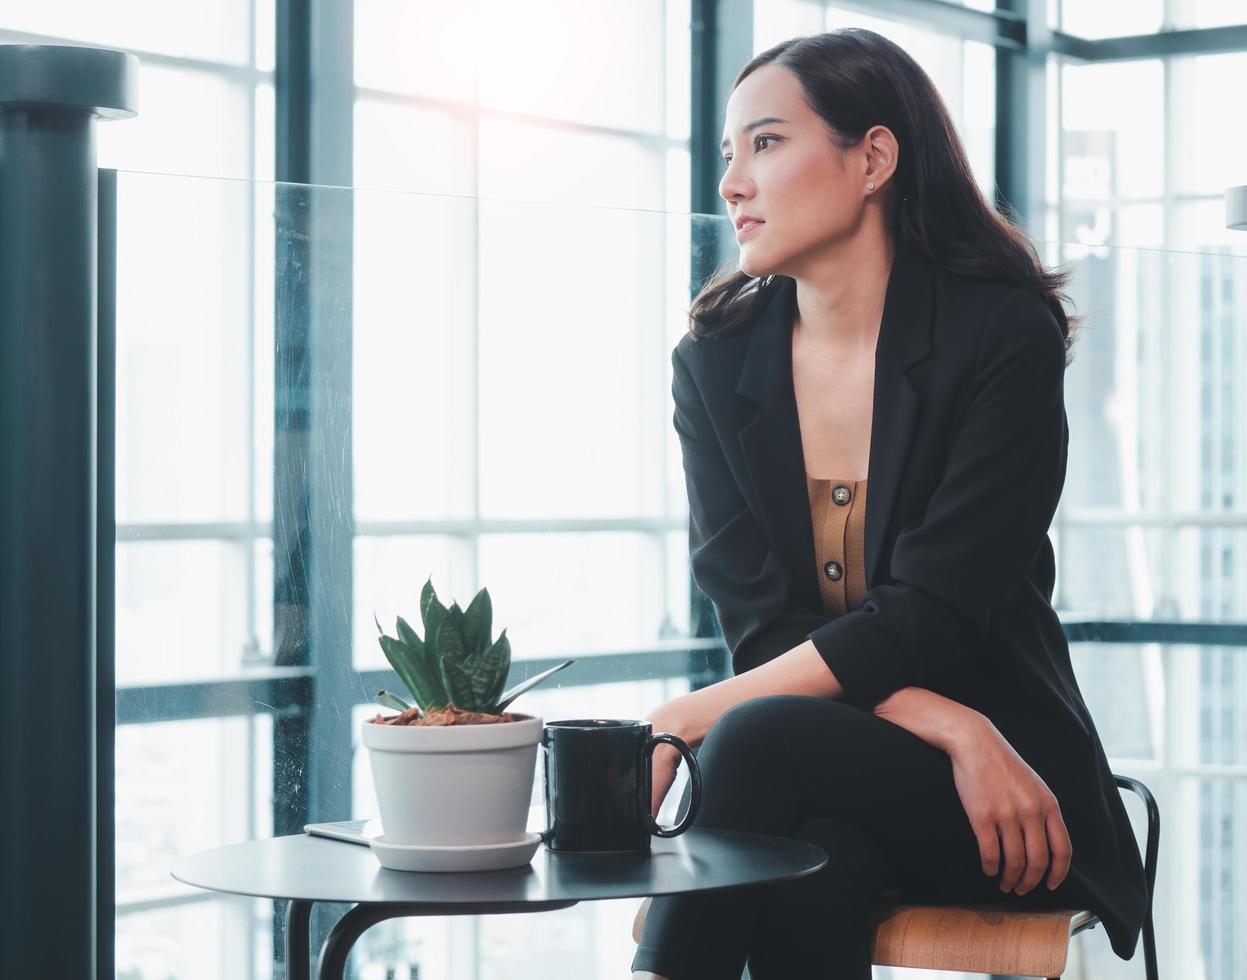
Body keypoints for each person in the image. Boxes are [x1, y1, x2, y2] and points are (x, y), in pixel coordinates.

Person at [630, 27, 1149, 980]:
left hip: (1010, 798)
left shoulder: (1000, 338)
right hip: (897, 760)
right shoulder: (714, 363)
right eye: (728, 154)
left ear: (872, 157)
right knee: (808, 870)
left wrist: (686, 710)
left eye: (768, 143)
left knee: (753, 738)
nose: (731, 183)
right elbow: (760, 626)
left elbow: (935, 615)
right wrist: (953, 724)